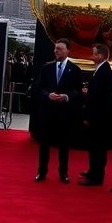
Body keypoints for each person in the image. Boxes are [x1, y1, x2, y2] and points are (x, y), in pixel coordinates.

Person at [33, 38, 82, 183]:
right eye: (55, 48)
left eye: (60, 49)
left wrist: (66, 97)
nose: (56, 51)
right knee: (44, 145)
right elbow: (38, 88)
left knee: (64, 146)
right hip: (48, 112)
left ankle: (63, 173)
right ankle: (41, 172)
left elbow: (78, 91)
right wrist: (48, 95)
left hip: (65, 114)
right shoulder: (46, 68)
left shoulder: (75, 70)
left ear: (68, 51)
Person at [78, 43, 112, 187]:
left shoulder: (104, 71)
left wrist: (88, 116)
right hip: (99, 116)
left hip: (99, 118)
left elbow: (98, 98)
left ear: (100, 55)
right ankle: (92, 171)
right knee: (94, 146)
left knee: (98, 147)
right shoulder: (101, 70)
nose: (91, 56)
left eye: (93, 53)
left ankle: (96, 177)